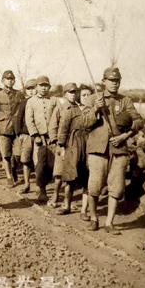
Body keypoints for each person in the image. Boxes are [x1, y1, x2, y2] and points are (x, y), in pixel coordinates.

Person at [82, 67, 144, 234]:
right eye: (111, 80)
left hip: (119, 150)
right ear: (104, 82)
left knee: (116, 187)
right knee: (94, 186)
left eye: (117, 81)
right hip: (97, 149)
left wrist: (124, 137)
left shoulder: (125, 101)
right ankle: (94, 219)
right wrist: (96, 108)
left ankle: (109, 223)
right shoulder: (93, 98)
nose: (114, 84)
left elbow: (139, 122)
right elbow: (84, 123)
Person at [51, 83, 91, 218]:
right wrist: (61, 147)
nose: (86, 97)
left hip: (88, 147)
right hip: (73, 146)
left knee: (87, 178)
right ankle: (66, 205)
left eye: (88, 95)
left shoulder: (93, 112)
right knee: (69, 177)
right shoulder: (71, 111)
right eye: (83, 95)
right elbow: (63, 130)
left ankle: (84, 211)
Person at [25, 75, 59, 202]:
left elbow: (60, 116)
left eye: (46, 85)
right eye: (41, 85)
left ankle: (55, 191)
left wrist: (56, 136)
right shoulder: (31, 101)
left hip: (52, 137)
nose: (44, 88)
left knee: (52, 164)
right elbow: (29, 120)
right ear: (37, 87)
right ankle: (42, 191)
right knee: (40, 165)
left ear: (49, 87)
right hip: (39, 138)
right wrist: (35, 135)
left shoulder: (54, 100)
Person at [0, 70, 24, 187]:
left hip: (17, 128)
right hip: (3, 128)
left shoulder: (19, 94)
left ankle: (13, 169)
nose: (10, 81)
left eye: (12, 79)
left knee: (18, 154)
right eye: (7, 79)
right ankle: (9, 177)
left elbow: (23, 111)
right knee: (6, 154)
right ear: (3, 81)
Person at [13, 78, 37, 193]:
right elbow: (19, 118)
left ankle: (40, 186)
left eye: (33, 88)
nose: (31, 91)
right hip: (26, 134)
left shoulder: (41, 102)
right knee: (25, 160)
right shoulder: (24, 102)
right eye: (29, 89)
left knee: (38, 161)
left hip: (38, 134)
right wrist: (19, 133)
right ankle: (27, 184)